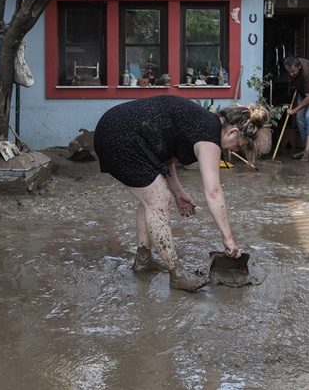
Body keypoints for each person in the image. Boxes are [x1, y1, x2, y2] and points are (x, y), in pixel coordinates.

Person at [94, 95, 269, 292]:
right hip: (120, 137)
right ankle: (177, 273)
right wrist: (228, 239)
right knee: (158, 200)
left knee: (152, 197)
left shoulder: (201, 122)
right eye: (239, 145)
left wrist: (178, 192)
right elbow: (213, 192)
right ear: (233, 131)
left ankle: (143, 260)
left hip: (115, 129)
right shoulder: (209, 139)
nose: (235, 149)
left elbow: (167, 159)